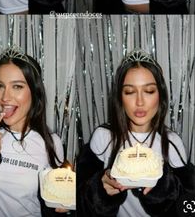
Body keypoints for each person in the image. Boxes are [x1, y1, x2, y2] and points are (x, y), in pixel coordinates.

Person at [77, 49, 195, 216]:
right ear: (120, 97)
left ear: (160, 95)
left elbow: (188, 207)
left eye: (149, 91)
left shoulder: (171, 143)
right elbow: (81, 205)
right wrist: (100, 192)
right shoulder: (104, 138)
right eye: (130, 92)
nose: (139, 102)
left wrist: (163, 190)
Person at [0, 45, 70, 216]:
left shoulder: (51, 142)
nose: (5, 97)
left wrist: (61, 206)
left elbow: (54, 200)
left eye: (17, 86)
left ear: (34, 92)